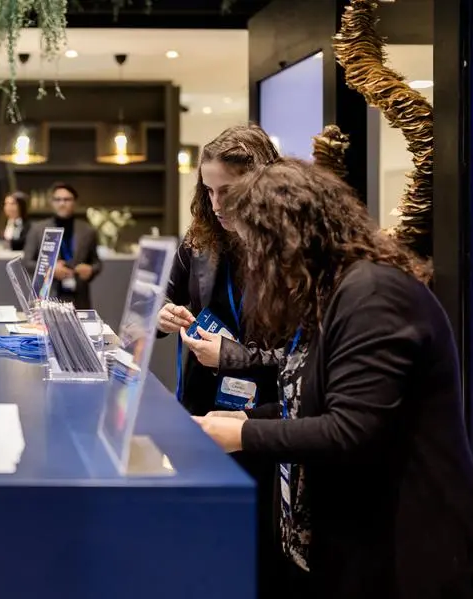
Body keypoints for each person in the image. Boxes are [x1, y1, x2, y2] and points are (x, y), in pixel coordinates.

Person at [194, 158, 473, 599]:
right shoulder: (329, 293)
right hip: (348, 543)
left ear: (288, 239)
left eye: (257, 250)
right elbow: (307, 399)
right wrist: (242, 419)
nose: (255, 267)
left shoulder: (374, 295)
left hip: (400, 552)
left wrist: (244, 435)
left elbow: (352, 429)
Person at [155, 124, 281, 599]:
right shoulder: (198, 244)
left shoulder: (286, 253)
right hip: (202, 404)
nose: (216, 204)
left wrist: (232, 356)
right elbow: (161, 307)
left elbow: (302, 356)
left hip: (264, 415)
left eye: (227, 190)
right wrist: (165, 317)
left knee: (256, 541)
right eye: (208, 190)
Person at [22, 182, 101, 310]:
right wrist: (51, 270)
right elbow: (27, 262)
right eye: (57, 199)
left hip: (79, 297)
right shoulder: (37, 229)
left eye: (67, 199)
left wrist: (91, 270)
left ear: (75, 202)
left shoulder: (87, 230)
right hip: (47, 295)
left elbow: (97, 263)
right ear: (51, 203)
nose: (62, 203)